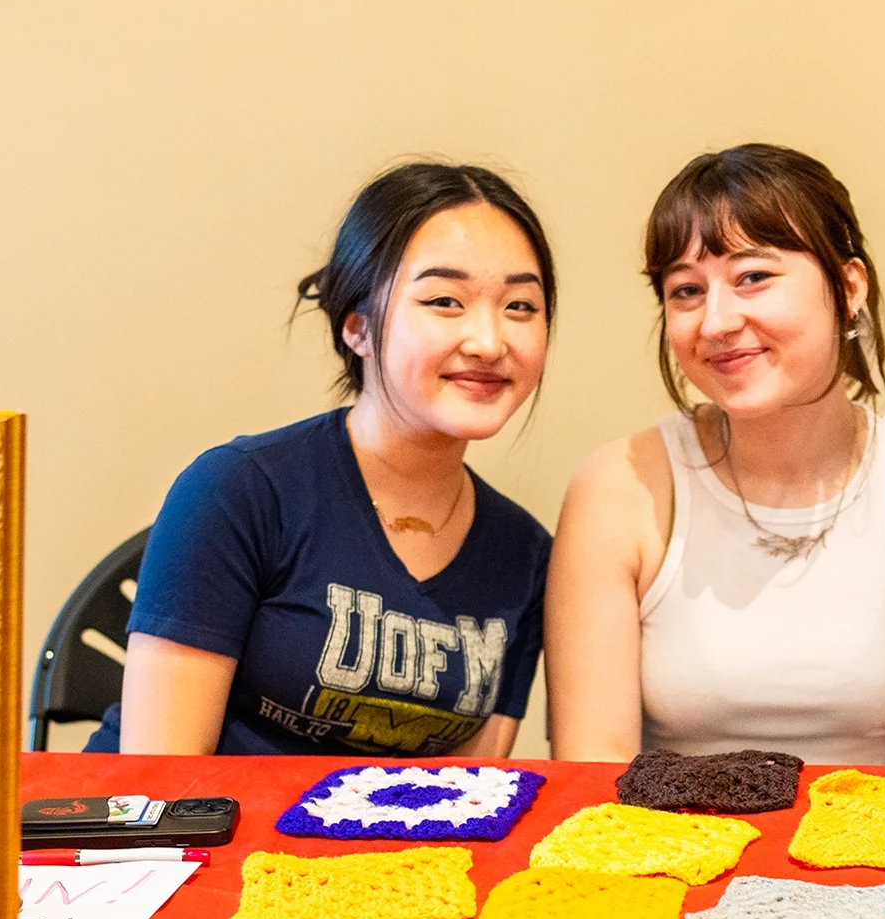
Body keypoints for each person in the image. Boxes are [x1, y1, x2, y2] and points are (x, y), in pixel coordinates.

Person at [91, 162, 554, 755]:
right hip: (183, 842)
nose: (490, 342)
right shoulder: (237, 491)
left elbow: (472, 802)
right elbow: (161, 785)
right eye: (444, 300)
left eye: (520, 307)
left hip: (379, 848)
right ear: (357, 328)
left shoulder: (523, 554)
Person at [547, 144, 885, 766]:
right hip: (660, 851)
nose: (717, 321)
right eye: (686, 291)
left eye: (753, 277)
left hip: (875, 851)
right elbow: (592, 771)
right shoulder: (618, 489)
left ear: (848, 285)